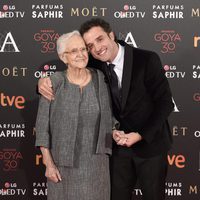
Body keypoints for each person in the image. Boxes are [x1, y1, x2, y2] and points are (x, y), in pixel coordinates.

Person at [38, 18, 174, 200]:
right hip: (117, 152)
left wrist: (140, 134)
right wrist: (41, 83)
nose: (96, 48)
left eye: (100, 39)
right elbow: (67, 73)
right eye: (90, 45)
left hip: (150, 146)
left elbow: (165, 103)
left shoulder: (146, 59)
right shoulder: (94, 64)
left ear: (111, 35)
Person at [35, 30, 113, 200]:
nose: (81, 55)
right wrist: (48, 164)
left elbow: (109, 117)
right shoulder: (53, 83)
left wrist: (117, 131)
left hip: (97, 166)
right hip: (62, 167)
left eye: (83, 49)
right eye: (74, 51)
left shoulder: (100, 78)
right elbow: (42, 128)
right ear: (64, 57)